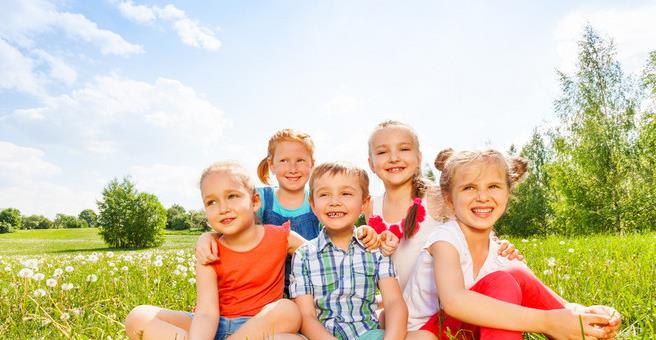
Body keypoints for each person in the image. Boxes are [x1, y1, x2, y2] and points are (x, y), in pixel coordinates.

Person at [402, 149, 622, 339]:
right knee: (502, 281)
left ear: (507, 193)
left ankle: (579, 321)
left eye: (494, 186)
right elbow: (455, 301)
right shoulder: (445, 239)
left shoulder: (498, 250)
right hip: (426, 333)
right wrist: (546, 321)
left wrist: (576, 313)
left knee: (515, 271)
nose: (482, 196)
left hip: (465, 330)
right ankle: (560, 323)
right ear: (450, 199)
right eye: (469, 188)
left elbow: (533, 293)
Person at [124, 161, 305, 340]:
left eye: (232, 196)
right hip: (212, 326)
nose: (223, 208)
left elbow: (319, 251)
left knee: (288, 310)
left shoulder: (282, 237)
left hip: (258, 328)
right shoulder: (209, 250)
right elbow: (206, 314)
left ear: (255, 201)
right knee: (138, 317)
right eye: (211, 202)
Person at [366, 120, 521, 290]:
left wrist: (499, 246)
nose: (394, 158)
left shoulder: (435, 196)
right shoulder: (372, 207)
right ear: (371, 163)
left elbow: (474, 223)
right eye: (382, 152)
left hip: (443, 301)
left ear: (419, 157)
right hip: (404, 304)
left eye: (404, 149)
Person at [290, 162, 408, 340]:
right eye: (324, 195)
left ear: (364, 203)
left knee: (423, 337)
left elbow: (393, 302)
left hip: (368, 334)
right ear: (313, 205)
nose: (335, 202)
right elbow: (306, 315)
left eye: (346, 194)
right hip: (321, 336)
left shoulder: (375, 249)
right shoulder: (304, 255)